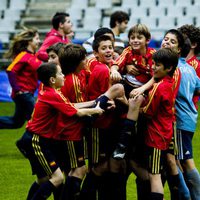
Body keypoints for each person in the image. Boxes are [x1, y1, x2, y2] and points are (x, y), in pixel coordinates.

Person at [16, 62, 104, 200]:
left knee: (43, 180)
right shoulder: (54, 95)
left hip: (35, 139)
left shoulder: (49, 90)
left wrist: (94, 101)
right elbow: (77, 113)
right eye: (60, 74)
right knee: (57, 179)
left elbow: (69, 106)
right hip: (36, 140)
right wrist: (96, 110)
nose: (64, 76)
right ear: (52, 79)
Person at [141, 48, 178, 200]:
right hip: (166, 131)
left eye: (157, 65)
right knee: (168, 167)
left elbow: (147, 112)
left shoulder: (158, 87)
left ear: (168, 68)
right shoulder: (170, 82)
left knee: (154, 174)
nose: (153, 67)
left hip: (157, 136)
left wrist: (127, 104)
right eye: (153, 63)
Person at [0, 28, 42, 129]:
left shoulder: (34, 56)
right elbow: (10, 70)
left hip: (28, 93)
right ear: (29, 41)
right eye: (36, 39)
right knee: (37, 120)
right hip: (24, 94)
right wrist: (18, 90)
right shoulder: (23, 55)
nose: (39, 41)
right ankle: (26, 143)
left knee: (16, 123)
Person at [174, 35, 200, 200]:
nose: (165, 42)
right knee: (178, 160)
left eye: (171, 41)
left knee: (185, 161)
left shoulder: (174, 68)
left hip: (181, 119)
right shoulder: (189, 68)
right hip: (190, 117)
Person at [110, 23, 156, 98]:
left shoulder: (153, 54)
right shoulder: (128, 51)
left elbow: (156, 77)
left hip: (145, 88)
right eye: (132, 38)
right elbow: (116, 64)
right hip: (127, 84)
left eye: (139, 38)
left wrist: (142, 89)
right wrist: (114, 71)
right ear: (129, 40)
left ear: (147, 40)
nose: (135, 40)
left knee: (137, 100)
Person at [178, 24, 200, 110]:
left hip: (186, 110)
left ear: (193, 44)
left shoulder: (196, 66)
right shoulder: (176, 61)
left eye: (182, 39)